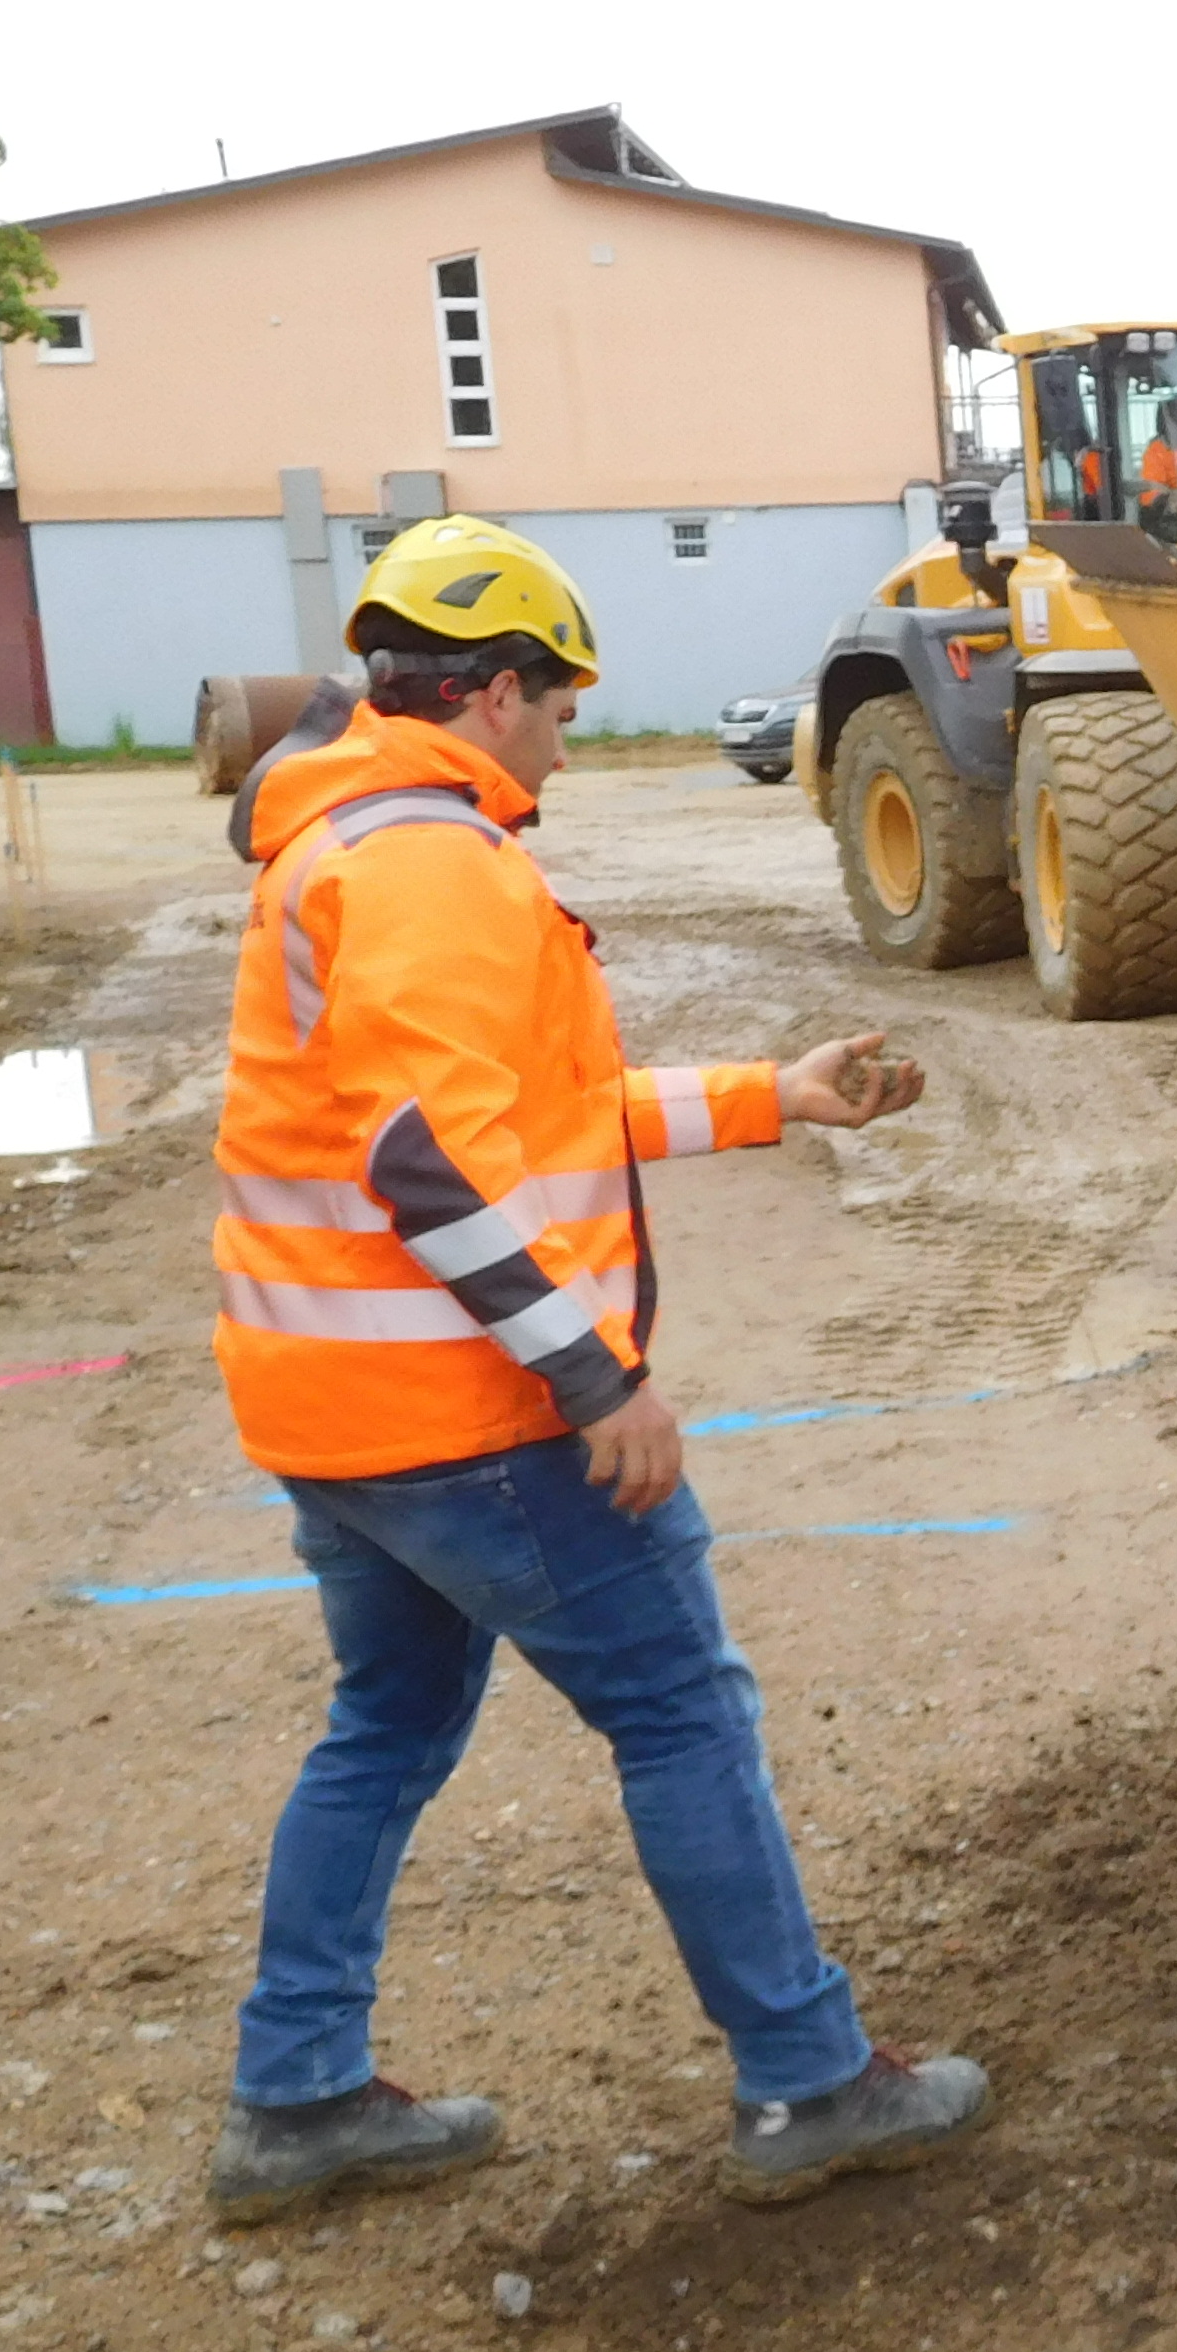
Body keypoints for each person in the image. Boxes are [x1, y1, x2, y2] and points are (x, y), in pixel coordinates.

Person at [205, 517, 991, 2225]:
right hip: (467, 1415)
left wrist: (771, 1096)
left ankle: (297, 2096)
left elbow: (523, 1121)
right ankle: (804, 2078)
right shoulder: (429, 864)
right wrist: (590, 1383)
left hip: (335, 1408)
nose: (566, 729)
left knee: (388, 1724)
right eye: (555, 699)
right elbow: (432, 1164)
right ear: (489, 694)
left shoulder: (347, 842)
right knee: (680, 1710)